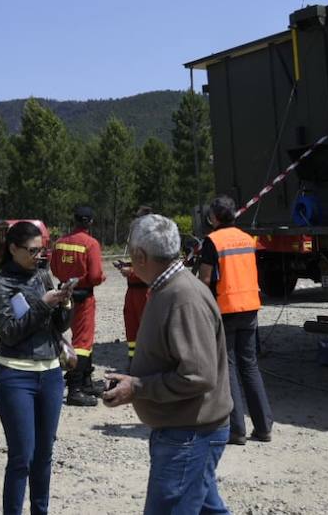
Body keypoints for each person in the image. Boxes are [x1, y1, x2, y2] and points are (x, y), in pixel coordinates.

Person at [103, 214, 233, 514]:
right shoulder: (169, 288)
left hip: (189, 435)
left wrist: (138, 387)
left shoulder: (182, 296)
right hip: (186, 431)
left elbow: (199, 376)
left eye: (129, 253)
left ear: (140, 256)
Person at [0, 221, 75, 515]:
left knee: (44, 456)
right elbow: (10, 332)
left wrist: (64, 304)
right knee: (22, 456)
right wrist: (43, 305)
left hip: (50, 374)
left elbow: (58, 326)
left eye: (42, 249)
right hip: (15, 375)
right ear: (13, 249)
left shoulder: (43, 276)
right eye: (33, 250)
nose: (40, 255)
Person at [197, 195, 274, 445]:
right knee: (249, 365)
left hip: (226, 309)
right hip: (250, 307)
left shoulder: (212, 241)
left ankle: (236, 429)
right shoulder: (246, 238)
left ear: (215, 218)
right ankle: (263, 427)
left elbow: (205, 280)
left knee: (227, 366)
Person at [49, 205, 105, 406]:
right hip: (84, 297)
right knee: (83, 342)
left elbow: (54, 268)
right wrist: (100, 278)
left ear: (74, 220)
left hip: (64, 295)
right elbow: (96, 276)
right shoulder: (91, 244)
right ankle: (75, 389)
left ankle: (86, 381)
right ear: (89, 222)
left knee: (79, 339)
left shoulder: (60, 243)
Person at [119, 205, 155, 364]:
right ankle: (134, 364)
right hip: (132, 291)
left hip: (145, 291)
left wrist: (131, 271)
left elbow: (153, 269)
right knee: (132, 330)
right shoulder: (137, 240)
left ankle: (148, 364)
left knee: (147, 330)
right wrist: (126, 266)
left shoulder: (153, 241)